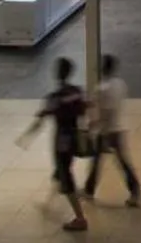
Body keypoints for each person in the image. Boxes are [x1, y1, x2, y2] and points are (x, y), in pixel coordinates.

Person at [27, 57, 90, 232]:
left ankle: (80, 218)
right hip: (75, 137)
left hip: (61, 140)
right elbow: (84, 111)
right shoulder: (77, 91)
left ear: (56, 73)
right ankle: (48, 201)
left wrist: (26, 137)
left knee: (65, 173)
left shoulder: (53, 98)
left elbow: (40, 120)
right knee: (62, 169)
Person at [83, 55, 141, 207]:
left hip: (107, 131)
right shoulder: (120, 84)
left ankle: (89, 190)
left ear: (103, 69)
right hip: (120, 127)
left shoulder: (101, 88)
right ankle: (134, 192)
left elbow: (105, 112)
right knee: (113, 160)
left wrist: (94, 125)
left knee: (103, 160)